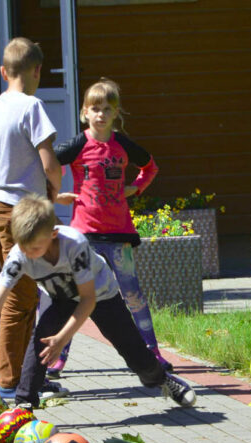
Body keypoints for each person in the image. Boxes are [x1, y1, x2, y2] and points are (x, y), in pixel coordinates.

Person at [0, 196, 196, 410]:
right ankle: (24, 405)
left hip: (100, 294)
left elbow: (87, 300)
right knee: (40, 344)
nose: (29, 254)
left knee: (131, 349)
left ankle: (162, 380)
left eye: (35, 247)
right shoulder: (20, 254)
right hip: (61, 297)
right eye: (24, 246)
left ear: (53, 234)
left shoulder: (74, 245)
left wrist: (63, 338)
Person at [51, 78, 172, 373]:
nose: (101, 114)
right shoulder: (78, 145)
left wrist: (137, 188)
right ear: (85, 113)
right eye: (95, 108)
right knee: (73, 295)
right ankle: (59, 354)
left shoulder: (122, 145)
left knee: (132, 294)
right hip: (84, 236)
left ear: (116, 112)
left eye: (107, 108)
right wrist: (54, 195)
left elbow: (150, 166)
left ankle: (151, 351)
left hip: (120, 235)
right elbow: (47, 164)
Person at [0, 37, 71, 401]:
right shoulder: (32, 106)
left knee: (25, 296)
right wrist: (54, 190)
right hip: (24, 213)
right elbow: (50, 163)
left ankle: (26, 376)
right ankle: (9, 385)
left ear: (4, 72)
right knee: (19, 299)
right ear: (37, 71)